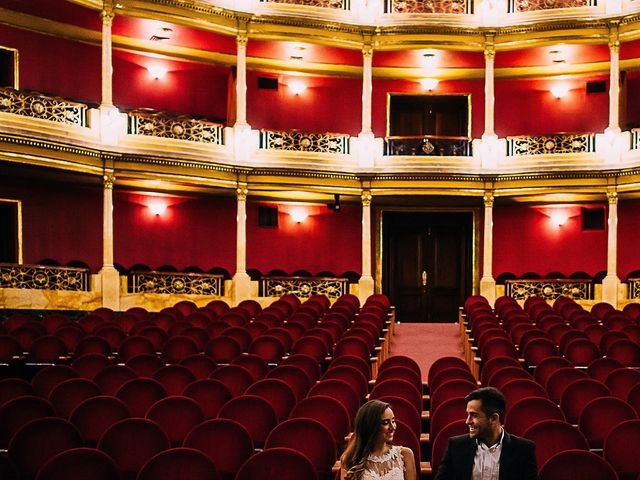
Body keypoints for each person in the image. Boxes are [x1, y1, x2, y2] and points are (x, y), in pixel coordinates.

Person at [434, 386, 537, 480]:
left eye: (474, 415)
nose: (467, 421)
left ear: (493, 418)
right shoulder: (456, 446)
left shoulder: (524, 450)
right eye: (468, 415)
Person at [340, 399, 417, 480]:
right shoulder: (349, 459)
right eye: (385, 422)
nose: (392, 427)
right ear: (370, 426)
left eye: (393, 421)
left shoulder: (405, 454)